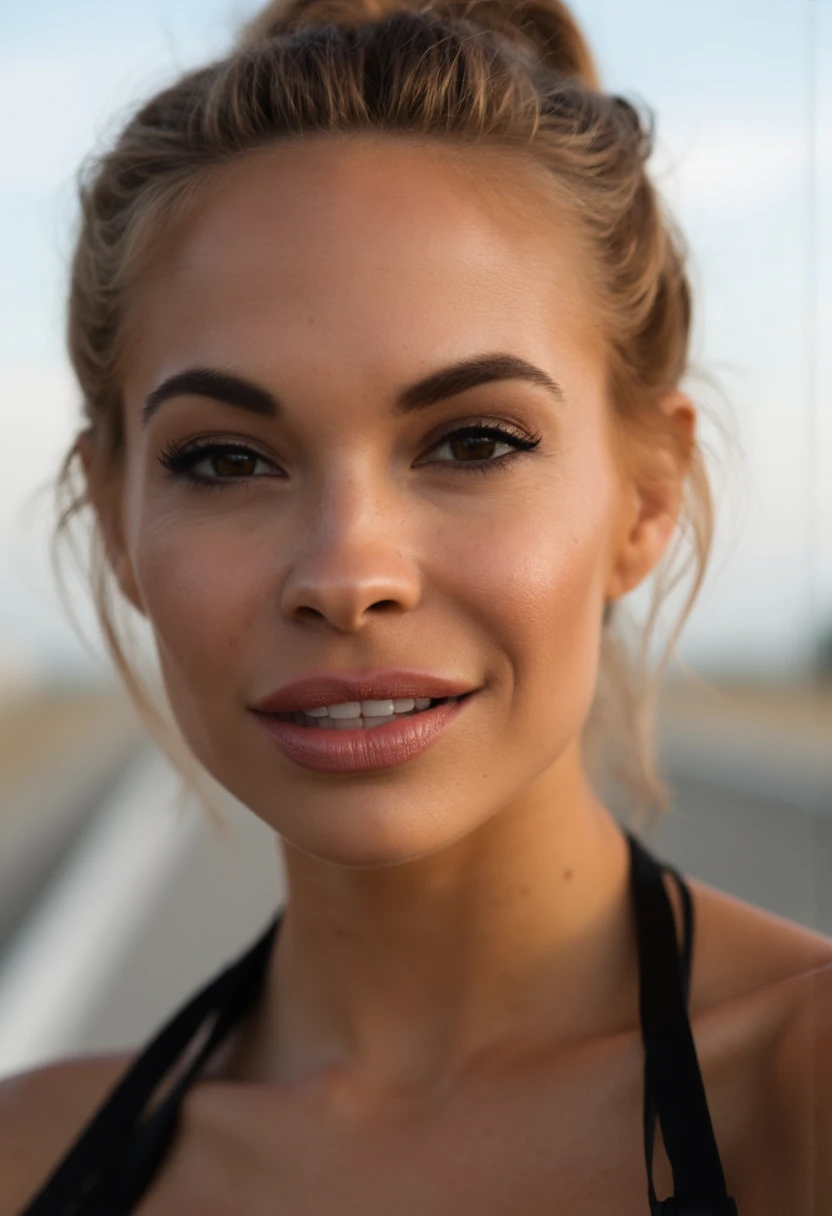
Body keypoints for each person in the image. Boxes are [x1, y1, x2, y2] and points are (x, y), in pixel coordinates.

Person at [2, 1, 830, 1212]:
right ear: (115, 512)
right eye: (225, 460)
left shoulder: (802, 1095)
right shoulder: (26, 1159)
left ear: (649, 493)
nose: (345, 574)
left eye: (475, 441)